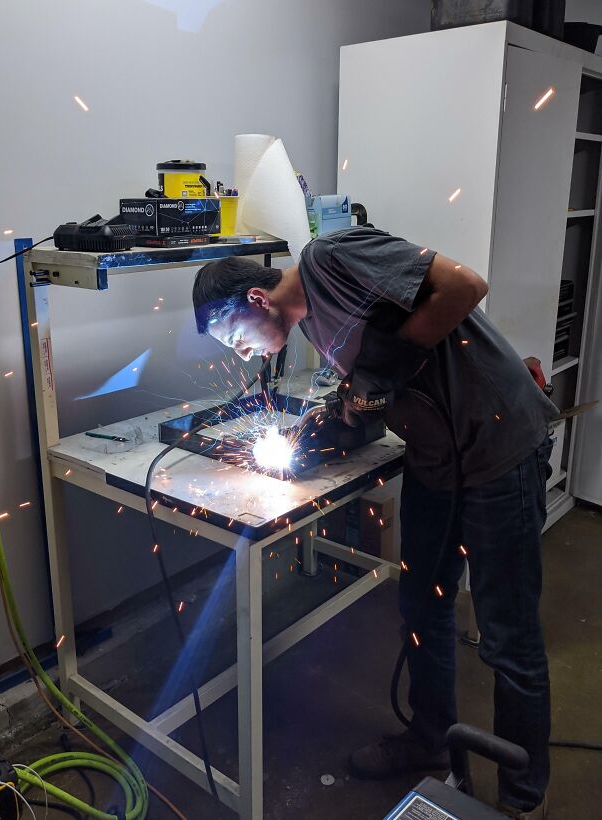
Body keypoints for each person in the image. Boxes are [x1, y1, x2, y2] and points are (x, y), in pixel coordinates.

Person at [191, 226, 556, 820]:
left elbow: (464, 286)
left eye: (235, 339)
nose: (244, 354)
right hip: (438, 462)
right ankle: (429, 739)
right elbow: (373, 390)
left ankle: (522, 794)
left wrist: (379, 371)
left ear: (257, 301)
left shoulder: (331, 258)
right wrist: (333, 418)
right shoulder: (309, 324)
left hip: (499, 450)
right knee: (421, 607)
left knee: (507, 635)